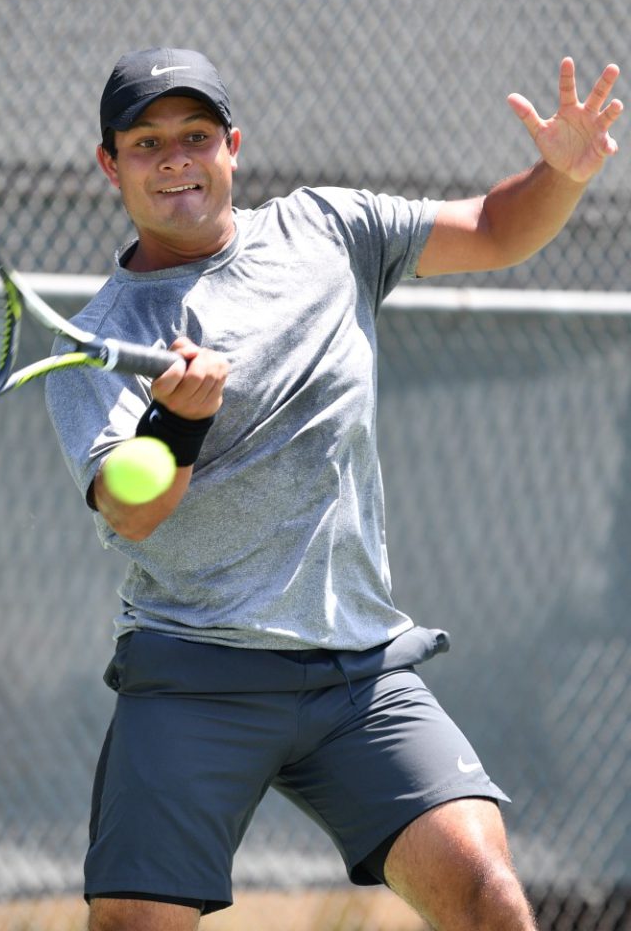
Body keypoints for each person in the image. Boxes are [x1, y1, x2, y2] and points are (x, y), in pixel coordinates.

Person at [45, 47, 623, 931]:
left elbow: (498, 227)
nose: (175, 160)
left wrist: (560, 174)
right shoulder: (101, 340)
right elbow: (133, 513)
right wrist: (178, 424)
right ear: (110, 163)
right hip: (195, 673)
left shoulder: (329, 230)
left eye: (196, 135)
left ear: (232, 145)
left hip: (358, 670)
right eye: (147, 142)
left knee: (490, 898)